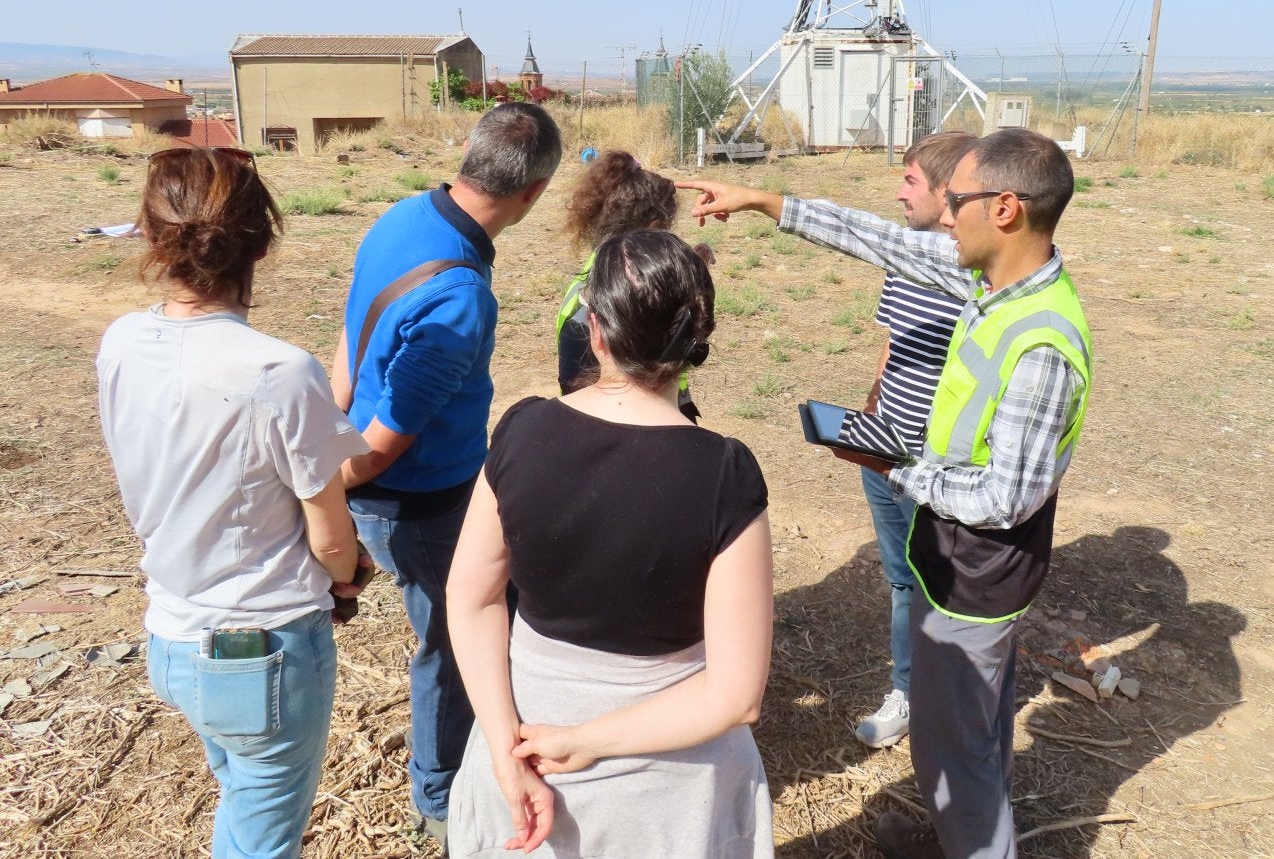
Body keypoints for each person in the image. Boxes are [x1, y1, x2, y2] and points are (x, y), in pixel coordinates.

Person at [682, 127, 1092, 859]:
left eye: (955, 200)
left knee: (953, 744)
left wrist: (890, 463)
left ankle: (969, 843)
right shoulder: (993, 284)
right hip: (958, 556)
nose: (941, 215)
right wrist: (765, 201)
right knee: (971, 730)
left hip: (978, 574)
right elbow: (878, 239)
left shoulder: (1041, 347)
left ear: (1003, 210)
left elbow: (1005, 498)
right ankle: (953, 834)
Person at [445, 229, 774, 858]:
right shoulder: (724, 473)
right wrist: (590, 739)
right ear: (697, 342)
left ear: (594, 328)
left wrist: (502, 747)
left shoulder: (522, 428)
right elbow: (736, 696)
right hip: (668, 790)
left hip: (522, 740)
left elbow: (471, 598)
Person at [96, 146, 369, 858]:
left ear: (153, 236)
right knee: (261, 837)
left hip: (173, 636)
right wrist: (346, 578)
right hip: (262, 649)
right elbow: (331, 537)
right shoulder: (278, 372)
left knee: (241, 790)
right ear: (263, 241)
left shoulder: (121, 342)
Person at [330, 102, 563, 845]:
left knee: (488, 613)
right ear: (534, 193)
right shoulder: (460, 297)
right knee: (457, 643)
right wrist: (321, 495)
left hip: (403, 481)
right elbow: (384, 445)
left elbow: (349, 336)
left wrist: (326, 434)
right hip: (419, 500)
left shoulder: (403, 217)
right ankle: (438, 798)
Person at [850, 131, 973, 750]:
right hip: (885, 452)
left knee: (938, 586)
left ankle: (941, 699)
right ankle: (907, 688)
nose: (898, 193)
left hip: (934, 468)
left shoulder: (974, 274)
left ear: (949, 192)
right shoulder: (907, 259)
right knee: (902, 579)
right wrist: (870, 417)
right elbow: (892, 344)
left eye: (910, 181)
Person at [555, 149, 710, 421]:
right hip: (643, 424)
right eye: (666, 233)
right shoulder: (590, 311)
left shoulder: (601, 278)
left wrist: (689, 269)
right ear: (653, 228)